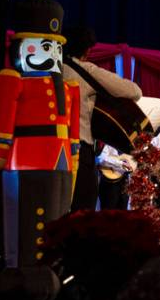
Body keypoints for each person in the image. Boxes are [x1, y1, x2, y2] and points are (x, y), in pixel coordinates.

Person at [0, 0, 80, 300]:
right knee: (25, 217)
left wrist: (74, 157)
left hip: (60, 160)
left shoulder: (68, 87)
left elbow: (73, 127)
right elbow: (4, 117)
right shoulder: (14, 79)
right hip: (25, 155)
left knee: (57, 216)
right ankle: (20, 275)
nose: (47, 53)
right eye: (41, 46)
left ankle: (52, 276)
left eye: (53, 46)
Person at [61, 26, 143, 212]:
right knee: (81, 209)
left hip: (51, 146)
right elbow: (134, 91)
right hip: (79, 148)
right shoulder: (86, 70)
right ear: (87, 49)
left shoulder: (53, 68)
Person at [96, 143, 134, 210]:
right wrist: (120, 164)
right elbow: (101, 159)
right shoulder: (108, 142)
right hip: (110, 182)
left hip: (125, 181)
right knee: (108, 212)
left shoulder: (129, 144)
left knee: (123, 212)